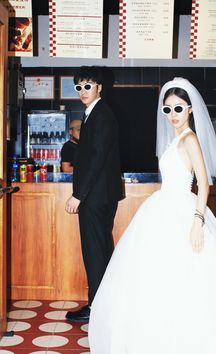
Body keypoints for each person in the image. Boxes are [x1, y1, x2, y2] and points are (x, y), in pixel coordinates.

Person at [88, 77, 216, 354]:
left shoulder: (190, 138)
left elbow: (203, 183)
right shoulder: (176, 139)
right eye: (167, 109)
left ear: (190, 109)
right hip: (162, 207)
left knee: (184, 279)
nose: (172, 115)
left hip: (183, 210)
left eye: (178, 108)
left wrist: (197, 221)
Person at [65, 66, 124, 323]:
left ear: (99, 87)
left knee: (95, 251)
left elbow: (97, 158)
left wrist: (79, 194)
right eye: (79, 87)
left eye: (87, 86)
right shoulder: (94, 114)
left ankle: (96, 307)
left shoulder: (101, 115)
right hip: (100, 194)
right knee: (99, 250)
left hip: (95, 196)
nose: (83, 91)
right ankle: (102, 304)